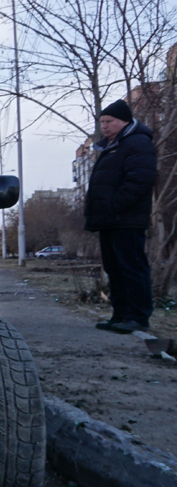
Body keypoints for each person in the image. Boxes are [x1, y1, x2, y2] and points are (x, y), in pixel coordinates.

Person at [85, 100, 158, 333]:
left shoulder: (137, 143)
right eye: (102, 122)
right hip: (110, 220)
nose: (104, 126)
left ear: (125, 121)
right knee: (114, 269)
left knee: (132, 267)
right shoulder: (111, 145)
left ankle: (138, 317)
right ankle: (120, 315)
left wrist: (114, 206)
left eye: (109, 122)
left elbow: (140, 180)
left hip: (127, 219)